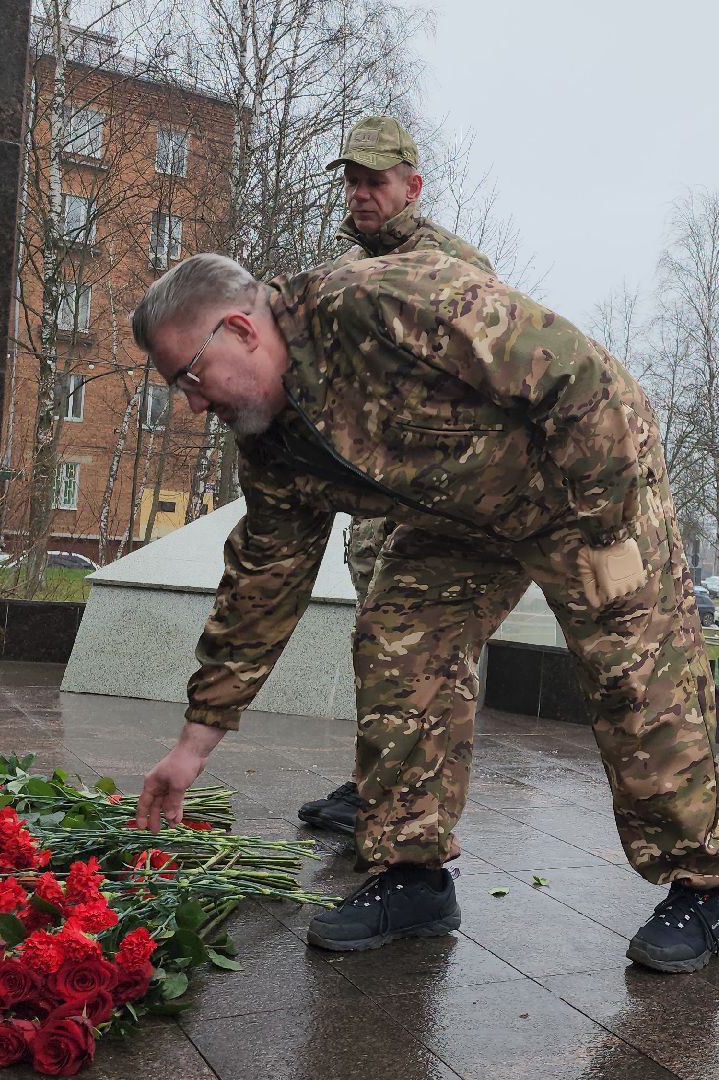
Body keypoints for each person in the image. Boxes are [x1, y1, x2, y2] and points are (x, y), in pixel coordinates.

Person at [127, 251, 719, 972]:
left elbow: (580, 381)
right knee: (399, 640)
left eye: (190, 377)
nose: (194, 405)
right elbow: (262, 585)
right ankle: (412, 876)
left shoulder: (383, 303)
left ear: (240, 330)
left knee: (633, 667)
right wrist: (192, 747)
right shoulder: (271, 445)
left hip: (581, 482)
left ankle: (703, 885)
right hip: (463, 521)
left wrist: (608, 530)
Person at [297, 115, 499, 837]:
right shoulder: (349, 268)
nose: (359, 193)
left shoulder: (454, 266)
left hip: (437, 496)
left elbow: (485, 380)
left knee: (433, 661)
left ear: (412, 187)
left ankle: (417, 815)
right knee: (380, 646)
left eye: (374, 181)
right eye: (351, 181)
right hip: (375, 496)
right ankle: (373, 786)